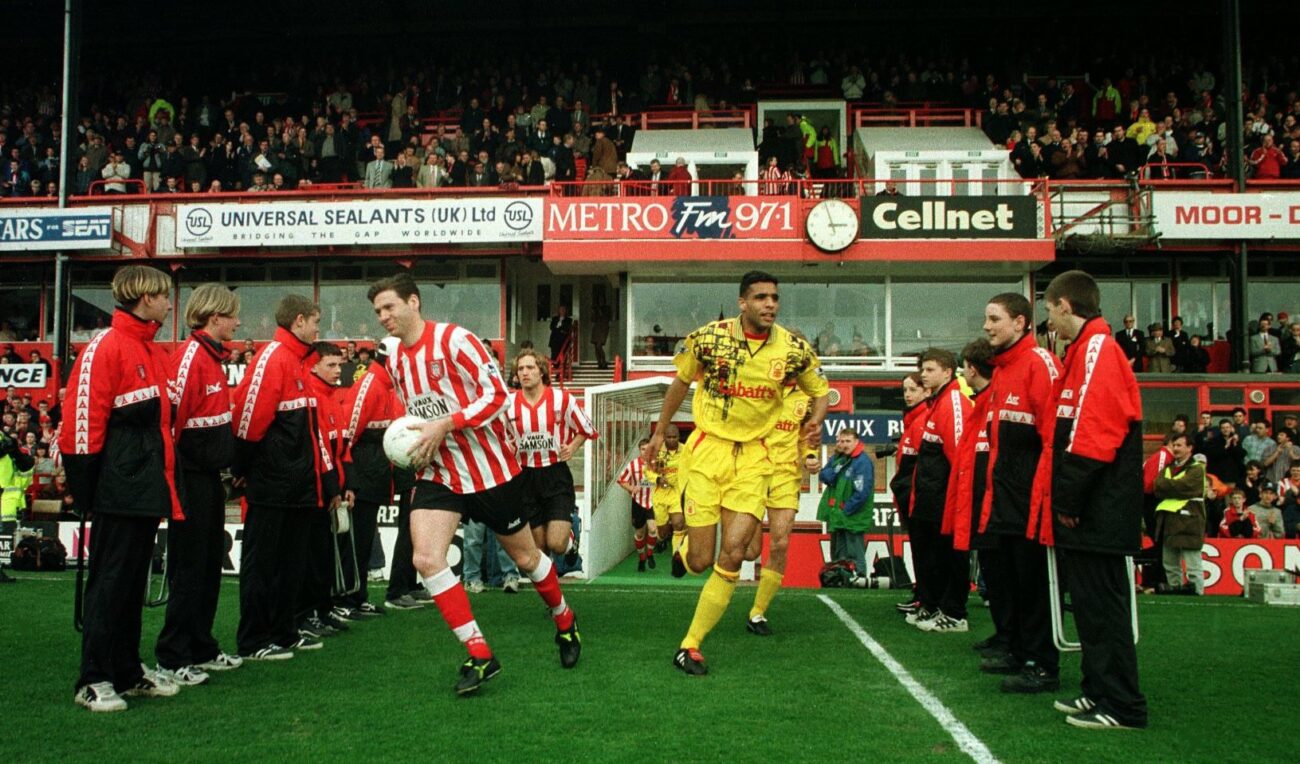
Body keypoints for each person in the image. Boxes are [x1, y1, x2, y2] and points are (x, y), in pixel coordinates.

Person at [367, 272, 581, 694]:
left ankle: (564, 618)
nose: (383, 317)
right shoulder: (397, 359)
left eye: (389, 307)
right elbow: (419, 413)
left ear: (414, 301)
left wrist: (446, 423)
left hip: (492, 471)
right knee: (426, 558)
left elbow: (498, 395)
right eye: (377, 311)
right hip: (440, 472)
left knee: (526, 560)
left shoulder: (454, 341)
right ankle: (480, 653)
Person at [642, 270, 828, 676]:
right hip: (709, 452)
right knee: (700, 559)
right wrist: (659, 432)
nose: (770, 305)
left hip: (756, 460)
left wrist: (814, 421)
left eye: (775, 298)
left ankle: (689, 645)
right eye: (761, 297)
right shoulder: (709, 339)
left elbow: (821, 391)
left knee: (735, 555)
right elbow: (679, 382)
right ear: (743, 302)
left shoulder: (794, 350)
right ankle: (680, 548)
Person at [61, 265, 183, 712]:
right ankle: (93, 678)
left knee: (132, 583)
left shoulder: (149, 349)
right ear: (145, 297)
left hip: (144, 486)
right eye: (164, 296)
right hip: (117, 486)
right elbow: (81, 421)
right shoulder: (107, 347)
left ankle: (128, 671)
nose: (170, 304)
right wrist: (86, 491)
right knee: (110, 584)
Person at [1040, 270, 1147, 730]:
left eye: (1049, 311)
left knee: (1104, 609)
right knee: (1089, 607)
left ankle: (1122, 705)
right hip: (1092, 506)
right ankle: (1097, 690)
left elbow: (1093, 433)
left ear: (1066, 305)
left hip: (1099, 508)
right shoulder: (1082, 351)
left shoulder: (1098, 349)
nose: (1050, 322)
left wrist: (1069, 498)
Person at [231, 294, 338, 661]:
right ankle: (253, 640)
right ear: (298, 322)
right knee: (264, 565)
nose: (318, 329)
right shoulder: (273, 359)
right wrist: (243, 470)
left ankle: (284, 632)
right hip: (273, 485)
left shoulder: (297, 363)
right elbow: (247, 423)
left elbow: (312, 434)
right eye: (315, 322)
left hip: (299, 487)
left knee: (290, 566)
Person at [154, 284, 245, 687]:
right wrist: (170, 483)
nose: (237, 322)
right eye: (231, 316)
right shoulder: (191, 358)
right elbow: (169, 423)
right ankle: (172, 657)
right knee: (189, 569)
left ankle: (201, 647)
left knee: (209, 566)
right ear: (213, 317)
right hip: (188, 478)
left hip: (209, 479)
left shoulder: (213, 358)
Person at [977, 293, 1063, 691]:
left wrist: (1047, 496)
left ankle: (1043, 663)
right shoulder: (1003, 371)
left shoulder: (1039, 364)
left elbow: (1053, 438)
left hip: (1031, 501)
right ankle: (1017, 649)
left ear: (1021, 323)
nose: (987, 326)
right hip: (1005, 500)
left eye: (995, 319)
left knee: (1033, 584)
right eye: (986, 319)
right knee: (1010, 581)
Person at [743, 373, 818, 634]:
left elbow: (806, 435)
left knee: (780, 542)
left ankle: (757, 612)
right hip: (752, 472)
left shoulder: (808, 398)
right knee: (748, 550)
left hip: (786, 475)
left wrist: (810, 455)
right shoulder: (756, 385)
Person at [507, 350, 597, 563]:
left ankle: (571, 535)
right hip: (525, 477)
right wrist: (508, 447)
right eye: (520, 369)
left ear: (542, 371)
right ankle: (549, 589)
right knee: (540, 548)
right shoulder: (508, 403)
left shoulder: (562, 399)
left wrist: (573, 447)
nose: (525, 373)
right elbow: (500, 437)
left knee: (556, 544)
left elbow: (587, 428)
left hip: (555, 474)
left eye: (530, 367)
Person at [906, 348, 973, 633]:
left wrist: (954, 500)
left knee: (949, 556)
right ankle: (936, 606)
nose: (924, 374)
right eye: (923, 369)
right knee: (933, 556)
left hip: (945, 498)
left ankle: (954, 612)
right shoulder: (938, 401)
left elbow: (959, 454)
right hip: (931, 497)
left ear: (948, 372)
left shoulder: (953, 401)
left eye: (930, 369)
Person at [335, 351, 398, 618]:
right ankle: (346, 600)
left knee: (363, 539)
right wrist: (348, 479)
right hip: (361, 476)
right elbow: (348, 434)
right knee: (355, 540)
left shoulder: (384, 384)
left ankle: (358, 597)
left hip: (373, 474)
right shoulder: (370, 384)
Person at [297, 342, 352, 640]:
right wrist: (332, 488)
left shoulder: (333, 398)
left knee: (325, 554)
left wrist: (346, 487)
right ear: (314, 366)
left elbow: (341, 448)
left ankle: (323, 607)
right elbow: (320, 450)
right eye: (330, 365)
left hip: (331, 489)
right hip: (316, 490)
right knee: (312, 556)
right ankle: (308, 613)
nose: (337, 371)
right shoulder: (313, 397)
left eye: (339, 365)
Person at [814, 428, 874, 579]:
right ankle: (840, 579)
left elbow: (862, 492)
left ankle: (859, 580)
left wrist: (846, 510)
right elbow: (825, 476)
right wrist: (836, 465)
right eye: (840, 441)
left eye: (847, 441)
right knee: (838, 555)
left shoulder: (862, 462)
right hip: (838, 517)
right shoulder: (839, 458)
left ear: (856, 442)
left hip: (852, 517)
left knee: (855, 553)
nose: (843, 444)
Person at [892, 372, 928, 614]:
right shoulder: (912, 419)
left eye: (913, 389)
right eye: (905, 390)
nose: (907, 395)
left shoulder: (923, 418)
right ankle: (921, 594)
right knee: (919, 548)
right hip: (909, 493)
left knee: (925, 549)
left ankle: (926, 597)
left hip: (919, 494)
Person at [647, 423, 690, 575]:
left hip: (677, 493)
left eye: (675, 437)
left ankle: (676, 557)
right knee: (663, 532)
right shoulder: (657, 451)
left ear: (679, 437)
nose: (672, 440)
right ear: (664, 437)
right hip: (660, 495)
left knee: (679, 524)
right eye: (669, 437)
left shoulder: (686, 451)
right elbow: (647, 471)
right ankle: (662, 540)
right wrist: (658, 479)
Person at [616, 438, 656, 571]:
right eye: (643, 449)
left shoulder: (656, 464)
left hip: (652, 502)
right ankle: (642, 558)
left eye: (647, 448)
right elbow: (621, 480)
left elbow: (662, 481)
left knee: (653, 529)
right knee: (640, 533)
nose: (645, 452)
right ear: (639, 450)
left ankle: (650, 554)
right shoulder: (632, 465)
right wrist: (631, 488)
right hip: (638, 503)